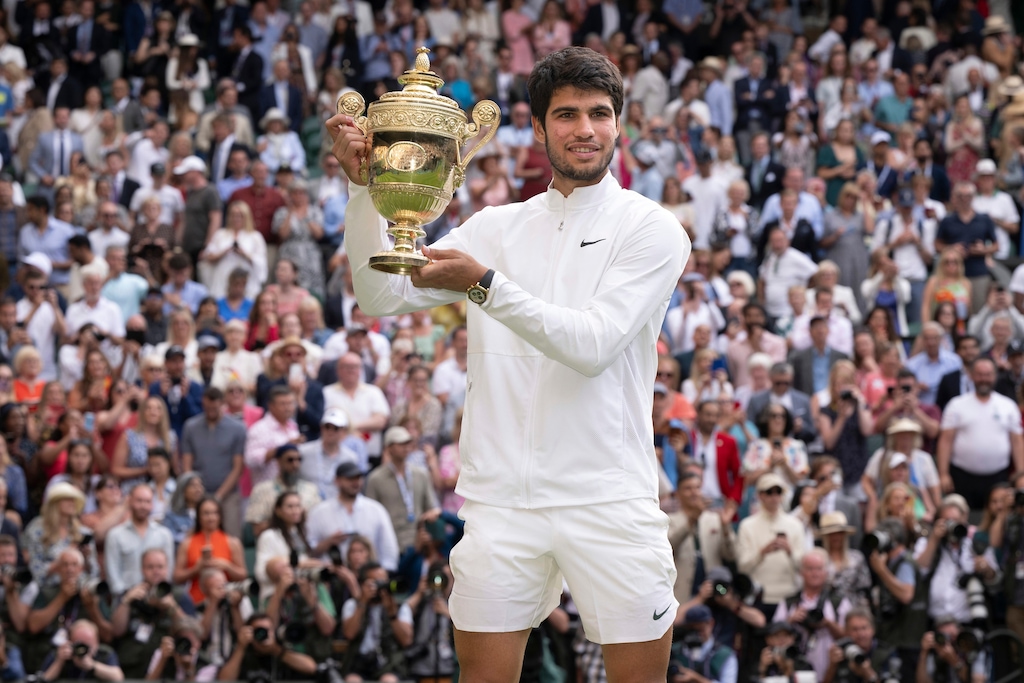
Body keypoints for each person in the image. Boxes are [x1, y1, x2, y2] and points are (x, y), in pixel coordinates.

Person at [332, 45, 690, 677]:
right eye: (568, 115)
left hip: (607, 499)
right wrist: (365, 194)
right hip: (499, 503)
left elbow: (592, 346)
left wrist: (484, 285)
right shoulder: (495, 226)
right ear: (537, 129)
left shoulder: (652, 229)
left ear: (618, 124)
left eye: (600, 114)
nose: (585, 130)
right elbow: (379, 293)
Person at [938, 357, 1024, 510]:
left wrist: (1021, 473)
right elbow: (945, 441)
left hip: (999, 476)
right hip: (962, 476)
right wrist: (944, 474)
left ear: (995, 376)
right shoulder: (956, 405)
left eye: (988, 374)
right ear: (971, 375)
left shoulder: (1008, 406)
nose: (984, 379)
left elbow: (1017, 442)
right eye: (980, 374)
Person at [180, 387, 246, 536]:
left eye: (215, 408)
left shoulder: (238, 429)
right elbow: (187, 462)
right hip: (199, 493)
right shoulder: (191, 427)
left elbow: (237, 468)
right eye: (207, 407)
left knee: (231, 535)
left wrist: (218, 496)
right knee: (196, 535)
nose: (211, 411)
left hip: (228, 495)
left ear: (223, 404)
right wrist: (194, 489)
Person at [737, 473, 805, 610]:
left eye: (778, 492)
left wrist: (789, 551)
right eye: (769, 492)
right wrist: (762, 552)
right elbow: (742, 567)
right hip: (758, 595)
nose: (774, 497)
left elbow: (803, 566)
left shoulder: (795, 525)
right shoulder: (747, 525)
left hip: (788, 595)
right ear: (760, 495)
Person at [667, 471, 736, 608]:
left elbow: (730, 555)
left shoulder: (715, 519)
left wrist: (726, 528)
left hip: (714, 591)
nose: (694, 492)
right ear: (678, 494)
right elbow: (670, 546)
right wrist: (692, 520)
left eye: (697, 488)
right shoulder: (670, 520)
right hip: (683, 592)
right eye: (688, 488)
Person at [103, 485, 175, 597]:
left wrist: (161, 593)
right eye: (139, 501)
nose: (143, 506)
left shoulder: (164, 534)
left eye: (147, 501)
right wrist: (125, 597)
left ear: (152, 504)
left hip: (156, 598)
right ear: (130, 501)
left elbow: (168, 570)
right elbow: (112, 572)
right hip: (125, 597)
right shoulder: (115, 535)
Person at [823, 609, 899, 683]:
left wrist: (869, 675)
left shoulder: (886, 652)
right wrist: (832, 665)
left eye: (864, 628)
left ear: (873, 629)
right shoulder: (840, 652)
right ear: (846, 631)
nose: (860, 634)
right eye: (855, 629)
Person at [668, 604, 737, 683]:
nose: (697, 634)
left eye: (700, 629)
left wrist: (697, 679)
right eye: (692, 630)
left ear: (711, 623)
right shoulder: (675, 651)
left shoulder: (725, 655)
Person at [39, 619, 123, 681]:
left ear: (97, 643)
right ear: (70, 641)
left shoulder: (104, 653)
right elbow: (44, 679)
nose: (83, 650)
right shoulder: (60, 654)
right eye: (79, 644)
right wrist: (59, 662)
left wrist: (92, 666)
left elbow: (118, 677)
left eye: (88, 645)